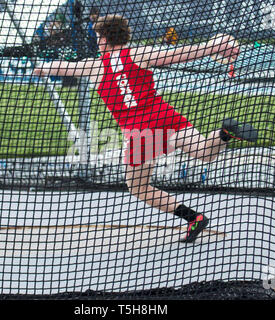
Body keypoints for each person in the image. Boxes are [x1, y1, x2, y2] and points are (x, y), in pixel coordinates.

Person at [33, 15, 258, 243]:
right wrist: (212, 47)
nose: (97, 40)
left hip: (140, 131)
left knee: (138, 188)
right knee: (204, 152)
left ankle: (193, 217)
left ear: (105, 38)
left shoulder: (94, 66)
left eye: (98, 36)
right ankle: (224, 134)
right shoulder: (139, 53)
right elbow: (178, 54)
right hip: (164, 115)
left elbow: (64, 67)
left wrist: (41, 68)